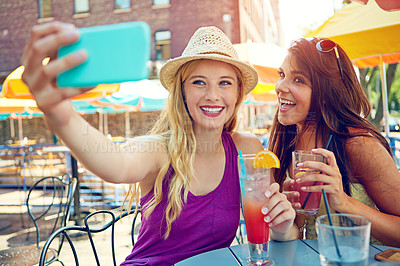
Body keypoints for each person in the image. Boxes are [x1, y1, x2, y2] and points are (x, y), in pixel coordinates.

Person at [21, 23, 298, 265]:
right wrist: (60, 113)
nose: (213, 95)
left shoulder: (247, 150)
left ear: (238, 93)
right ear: (182, 92)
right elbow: (116, 164)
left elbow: (276, 233)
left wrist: (284, 227)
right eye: (199, 82)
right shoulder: (159, 150)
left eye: (225, 83)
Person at [268, 37, 400, 247]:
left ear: (325, 93)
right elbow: (293, 234)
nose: (280, 87)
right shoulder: (284, 142)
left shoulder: (358, 146)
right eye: (282, 75)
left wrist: (346, 203)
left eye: (299, 80)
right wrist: (287, 218)